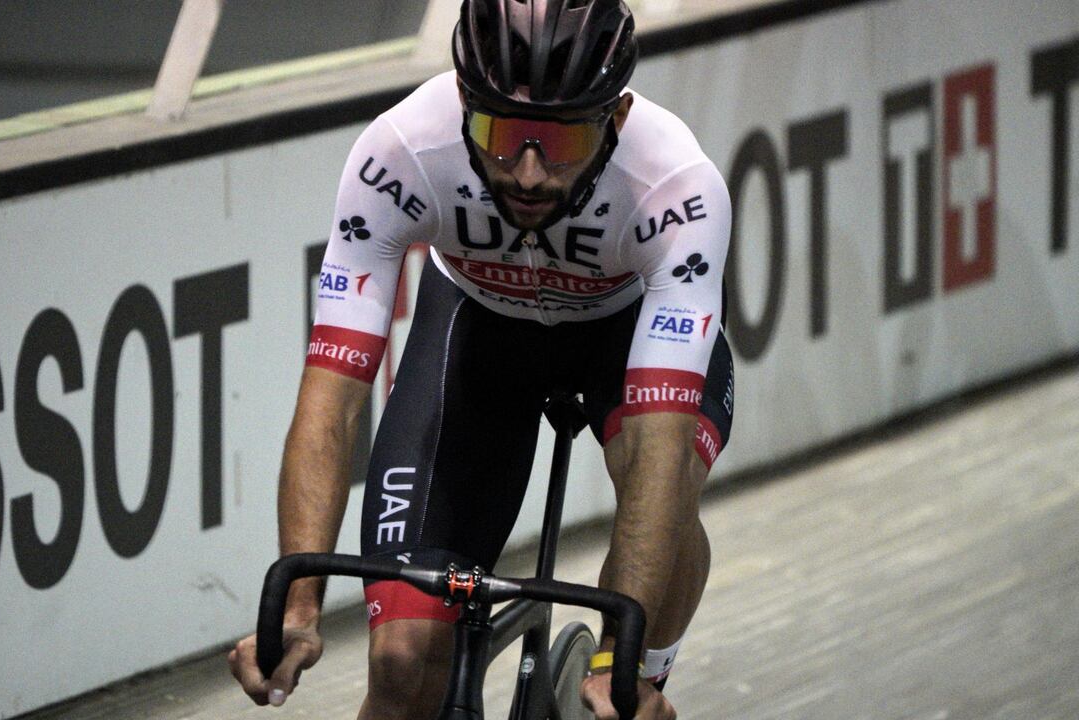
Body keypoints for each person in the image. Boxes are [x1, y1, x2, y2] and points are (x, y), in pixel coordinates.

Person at [230, 1, 734, 718]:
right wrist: (298, 606)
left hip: (624, 335)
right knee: (401, 663)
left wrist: (621, 664)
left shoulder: (676, 186)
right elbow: (331, 401)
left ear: (616, 120)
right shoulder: (400, 152)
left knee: (666, 483)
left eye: (561, 143)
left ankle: (643, 674)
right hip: (477, 330)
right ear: (464, 104)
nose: (527, 173)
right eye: (499, 135)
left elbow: (660, 449)